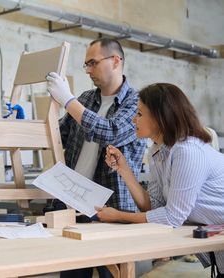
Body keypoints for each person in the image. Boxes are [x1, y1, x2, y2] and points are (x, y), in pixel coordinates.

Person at [100, 83, 224, 278]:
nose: (134, 119)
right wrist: (124, 170)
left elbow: (172, 217)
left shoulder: (187, 151)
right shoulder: (158, 151)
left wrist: (119, 216)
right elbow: (153, 207)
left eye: (139, 114)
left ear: (160, 117)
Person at [46, 38, 146, 278]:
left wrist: (68, 101)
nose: (88, 70)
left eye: (93, 63)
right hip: (72, 204)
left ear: (115, 61)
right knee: (71, 275)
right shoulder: (86, 99)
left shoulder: (138, 103)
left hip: (112, 210)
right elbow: (59, 134)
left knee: (113, 274)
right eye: (86, 65)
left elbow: (110, 131)